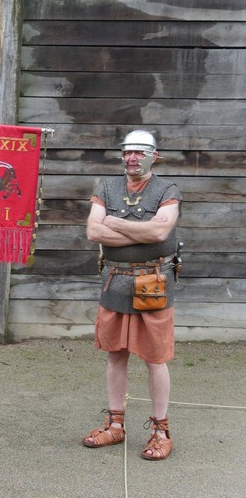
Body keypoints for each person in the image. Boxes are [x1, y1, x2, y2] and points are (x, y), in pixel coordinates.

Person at [82, 130, 181, 460]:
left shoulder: (166, 190)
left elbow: (160, 231)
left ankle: (161, 430)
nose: (132, 158)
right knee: (115, 354)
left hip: (152, 281)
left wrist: (114, 222)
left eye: (139, 153)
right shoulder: (106, 188)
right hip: (115, 280)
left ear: (154, 155)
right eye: (127, 153)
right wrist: (139, 233)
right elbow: (94, 231)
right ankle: (115, 425)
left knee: (155, 358)